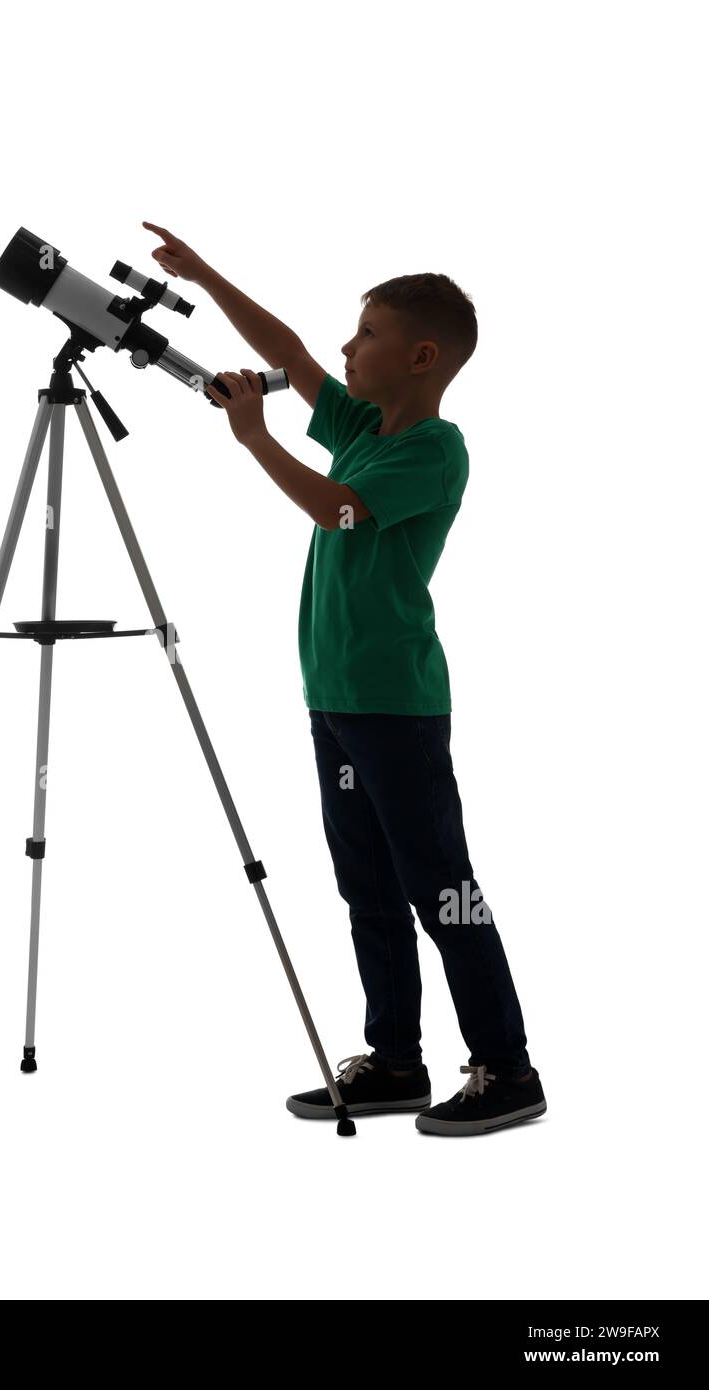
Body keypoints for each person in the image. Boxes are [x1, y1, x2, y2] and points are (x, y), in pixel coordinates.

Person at [142, 222, 547, 1136]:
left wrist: (253, 438)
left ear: (421, 356)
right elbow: (285, 347)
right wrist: (203, 274)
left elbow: (340, 512)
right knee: (365, 884)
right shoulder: (362, 424)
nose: (344, 348)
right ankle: (396, 1059)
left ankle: (507, 1068)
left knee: (442, 886)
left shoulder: (435, 449)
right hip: (334, 698)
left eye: (365, 334)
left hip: (396, 707)